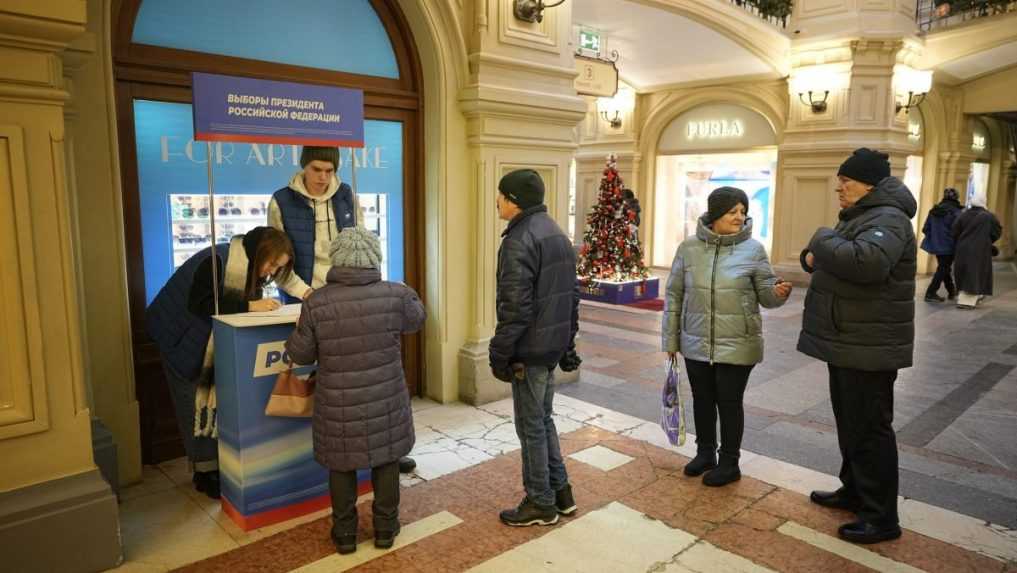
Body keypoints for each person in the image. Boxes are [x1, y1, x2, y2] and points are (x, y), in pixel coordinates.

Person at [269, 146, 416, 474]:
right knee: (328, 380)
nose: (323, 178)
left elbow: (364, 243)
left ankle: (385, 451)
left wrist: (369, 284)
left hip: (349, 292)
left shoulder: (347, 195)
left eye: (329, 171)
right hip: (305, 297)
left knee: (367, 373)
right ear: (304, 167)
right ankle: (324, 453)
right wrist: (303, 293)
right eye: (317, 170)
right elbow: (276, 257)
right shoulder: (281, 201)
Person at [798, 148, 916, 545]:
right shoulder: (864, 216)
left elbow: (867, 264)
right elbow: (832, 258)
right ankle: (855, 490)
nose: (839, 188)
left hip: (870, 343)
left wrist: (821, 239)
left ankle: (881, 516)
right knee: (850, 423)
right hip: (850, 339)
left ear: (869, 184)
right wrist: (813, 255)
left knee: (869, 429)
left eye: (846, 181)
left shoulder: (890, 218)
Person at [285, 227, 425, 555]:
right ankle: (386, 530)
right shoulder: (395, 294)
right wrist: (410, 293)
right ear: (374, 258)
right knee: (387, 460)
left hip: (337, 401)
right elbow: (416, 321)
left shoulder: (317, 302)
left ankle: (345, 534)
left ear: (336, 260)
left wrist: (295, 335)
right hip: (385, 398)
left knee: (342, 465)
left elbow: (301, 355)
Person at [146, 227, 294, 499]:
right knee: (195, 402)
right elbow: (202, 304)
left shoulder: (245, 265)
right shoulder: (216, 260)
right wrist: (249, 307)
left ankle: (213, 468)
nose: (271, 272)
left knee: (208, 401)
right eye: (271, 263)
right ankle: (205, 473)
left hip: (198, 337)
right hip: (178, 335)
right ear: (259, 252)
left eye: (277, 268)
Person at [662, 187, 791, 487]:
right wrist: (670, 341)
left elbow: (767, 297)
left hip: (738, 342)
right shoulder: (689, 248)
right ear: (716, 213)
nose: (740, 216)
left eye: (742, 211)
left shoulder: (754, 250)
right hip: (695, 341)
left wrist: (778, 293)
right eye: (733, 211)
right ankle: (705, 452)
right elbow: (674, 295)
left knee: (729, 402)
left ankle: (730, 462)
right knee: (702, 400)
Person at [489, 168, 582, 527]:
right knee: (543, 421)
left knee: (531, 427)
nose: (497, 201)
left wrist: (499, 353)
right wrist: (568, 343)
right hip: (550, 347)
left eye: (500, 195)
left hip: (529, 351)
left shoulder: (519, 240)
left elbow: (515, 308)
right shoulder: (556, 233)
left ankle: (540, 502)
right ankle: (561, 493)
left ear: (513, 200)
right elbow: (571, 298)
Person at [952, 196, 1002, 309]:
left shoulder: (963, 215)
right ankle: (969, 300)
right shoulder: (989, 216)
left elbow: (954, 231)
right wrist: (986, 239)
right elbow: (997, 231)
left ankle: (965, 296)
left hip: (962, 249)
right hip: (980, 249)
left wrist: (962, 240)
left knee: (963, 272)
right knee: (977, 272)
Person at [920, 188, 962, 302]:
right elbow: (958, 230)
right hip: (949, 246)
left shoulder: (934, 210)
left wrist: (935, 238)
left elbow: (925, 228)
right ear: (956, 197)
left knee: (944, 268)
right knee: (943, 268)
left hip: (937, 245)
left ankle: (951, 291)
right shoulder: (957, 212)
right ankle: (930, 292)